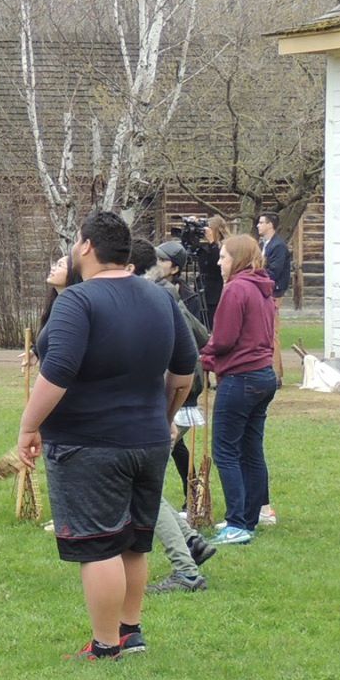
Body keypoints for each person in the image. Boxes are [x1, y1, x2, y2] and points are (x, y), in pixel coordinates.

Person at [19, 210, 197, 660]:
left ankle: (104, 645)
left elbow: (56, 373)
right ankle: (130, 632)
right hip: (148, 439)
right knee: (135, 540)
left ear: (86, 247)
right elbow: (183, 373)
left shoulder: (77, 302)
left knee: (98, 545)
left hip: (88, 443)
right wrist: (163, 414)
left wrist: (28, 425)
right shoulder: (160, 299)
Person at [136, 240, 217, 593]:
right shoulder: (161, 294)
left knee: (140, 487)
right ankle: (191, 543)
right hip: (164, 404)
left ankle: (185, 569)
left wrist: (167, 409)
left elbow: (198, 342)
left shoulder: (156, 296)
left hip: (164, 404)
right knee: (140, 484)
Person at [203, 233, 279, 546]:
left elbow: (224, 338)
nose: (219, 262)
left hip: (240, 378)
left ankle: (237, 523)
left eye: (223, 257)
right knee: (250, 449)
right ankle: (251, 515)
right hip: (263, 375)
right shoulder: (263, 289)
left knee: (225, 451)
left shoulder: (236, 289)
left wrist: (205, 354)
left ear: (238, 259)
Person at [253, 211, 289, 525]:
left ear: (272, 224)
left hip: (272, 294)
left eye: (262, 221)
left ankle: (277, 371)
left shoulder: (277, 246)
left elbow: (277, 271)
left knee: (273, 336)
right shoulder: (266, 244)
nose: (259, 225)